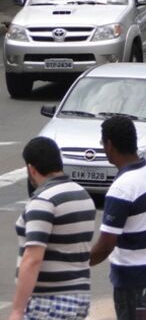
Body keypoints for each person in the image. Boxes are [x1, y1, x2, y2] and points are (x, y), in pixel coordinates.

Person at [90, 116, 146, 320]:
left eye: (102, 144)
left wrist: (76, 262)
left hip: (131, 286)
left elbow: (105, 246)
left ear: (109, 145)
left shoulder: (122, 188)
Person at [11, 137, 95, 320]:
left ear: (31, 169)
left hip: (47, 302)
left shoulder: (43, 201)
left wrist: (17, 310)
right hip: (79, 297)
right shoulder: (82, 195)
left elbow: (32, 258)